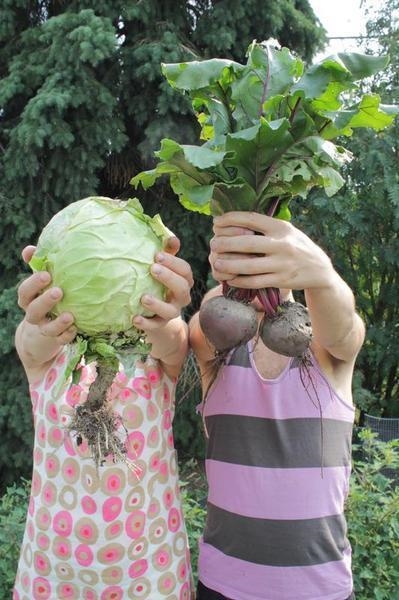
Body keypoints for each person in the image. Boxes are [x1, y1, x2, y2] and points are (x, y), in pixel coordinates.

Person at [189, 211, 365, 600]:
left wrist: (319, 271)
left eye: (264, 252)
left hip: (320, 590)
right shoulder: (216, 347)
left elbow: (344, 326)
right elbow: (208, 320)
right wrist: (233, 269)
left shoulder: (324, 345)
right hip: (222, 587)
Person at [13, 237, 195, 600]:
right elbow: (31, 340)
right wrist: (41, 320)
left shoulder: (154, 361)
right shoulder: (49, 360)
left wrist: (162, 313)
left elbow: (173, 340)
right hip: (52, 578)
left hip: (151, 578)